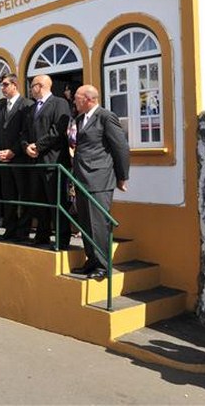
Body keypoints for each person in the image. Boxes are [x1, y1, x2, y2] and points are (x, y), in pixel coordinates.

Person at [70, 85, 130, 279]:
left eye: (77, 98)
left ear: (88, 99)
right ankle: (91, 261)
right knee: (86, 222)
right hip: (81, 177)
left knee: (98, 223)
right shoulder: (80, 119)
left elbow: (120, 147)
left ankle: (103, 265)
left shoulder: (106, 117)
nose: (74, 101)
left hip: (99, 177)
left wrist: (122, 176)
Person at [23, 75, 72, 249]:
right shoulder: (32, 108)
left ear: (40, 86)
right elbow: (24, 132)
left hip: (53, 161)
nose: (30, 89)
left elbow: (58, 130)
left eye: (32, 86)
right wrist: (26, 146)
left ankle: (62, 239)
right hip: (35, 162)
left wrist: (38, 146)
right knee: (39, 202)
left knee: (57, 202)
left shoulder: (59, 103)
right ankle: (42, 235)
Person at [0, 73, 34, 241]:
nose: (2, 88)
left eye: (5, 84)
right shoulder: (0, 107)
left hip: (20, 159)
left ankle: (23, 231)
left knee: (23, 195)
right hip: (3, 159)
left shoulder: (27, 105)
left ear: (15, 85)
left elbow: (26, 132)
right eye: (1, 85)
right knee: (8, 195)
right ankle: (9, 229)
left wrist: (13, 151)